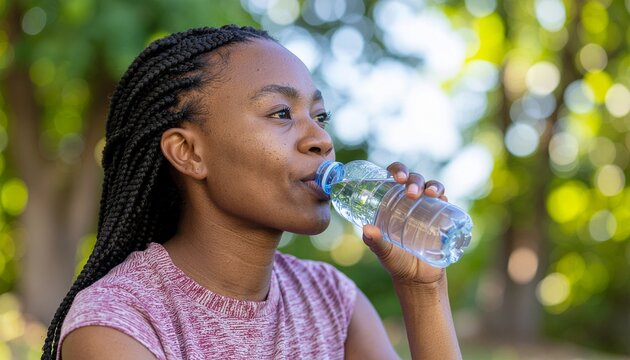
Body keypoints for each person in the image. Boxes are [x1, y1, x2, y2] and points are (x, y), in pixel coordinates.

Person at [42, 25, 461, 359]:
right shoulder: (118, 323)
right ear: (188, 152)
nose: (321, 140)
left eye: (320, 116)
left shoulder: (331, 302)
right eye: (281, 113)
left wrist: (423, 292)